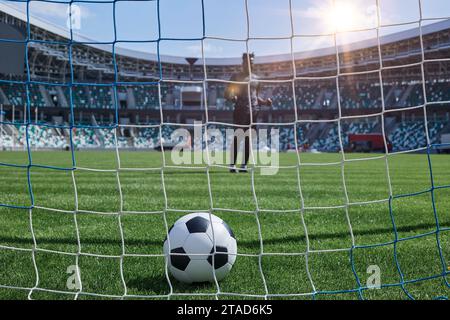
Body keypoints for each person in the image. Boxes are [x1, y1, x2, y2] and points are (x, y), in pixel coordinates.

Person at [225, 53, 272, 173]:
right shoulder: (236, 76)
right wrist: (232, 98)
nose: (249, 64)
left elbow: (255, 97)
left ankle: (243, 165)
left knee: (249, 139)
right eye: (247, 62)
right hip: (240, 110)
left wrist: (265, 102)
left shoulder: (257, 79)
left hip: (254, 112)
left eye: (251, 62)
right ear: (242, 63)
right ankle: (232, 165)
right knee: (237, 137)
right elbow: (227, 94)